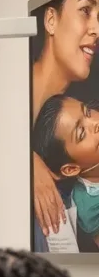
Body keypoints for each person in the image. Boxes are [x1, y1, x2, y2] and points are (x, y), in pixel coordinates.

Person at [30, 0, 99, 242]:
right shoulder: (6, 94)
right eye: (85, 11)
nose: (97, 28)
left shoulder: (84, 95)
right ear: (50, 20)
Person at [34, 94, 99, 250]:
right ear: (71, 169)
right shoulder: (89, 208)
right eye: (82, 133)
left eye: (88, 112)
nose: (95, 123)